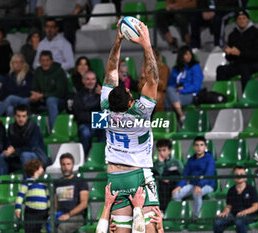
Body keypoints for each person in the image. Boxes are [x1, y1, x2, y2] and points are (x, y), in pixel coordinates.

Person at [101, 20, 160, 233]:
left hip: (114, 177)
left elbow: (110, 68)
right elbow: (153, 79)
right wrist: (146, 45)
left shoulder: (105, 109)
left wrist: (118, 40)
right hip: (139, 175)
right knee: (150, 230)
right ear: (129, 101)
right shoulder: (141, 112)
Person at [0, 104, 51, 178]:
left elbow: (32, 147)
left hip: (37, 157)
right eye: (18, 116)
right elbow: (9, 142)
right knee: (2, 156)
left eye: (23, 116)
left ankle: (27, 183)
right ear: (14, 116)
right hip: (18, 156)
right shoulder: (11, 127)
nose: (21, 119)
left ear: (27, 116)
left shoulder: (33, 127)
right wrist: (8, 149)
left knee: (25, 155)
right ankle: (2, 184)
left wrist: (14, 151)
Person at [216, 11, 258, 91]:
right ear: (236, 21)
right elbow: (229, 58)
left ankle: (246, 96)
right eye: (239, 19)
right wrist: (229, 53)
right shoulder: (233, 35)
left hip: (253, 63)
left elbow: (257, 54)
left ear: (248, 20)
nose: (241, 21)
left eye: (244, 18)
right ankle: (222, 95)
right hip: (237, 64)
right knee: (221, 69)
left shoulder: (256, 33)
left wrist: (240, 53)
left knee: (244, 68)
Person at [172, 136, 215, 218]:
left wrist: (199, 185)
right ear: (194, 147)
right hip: (193, 185)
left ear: (205, 147)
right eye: (197, 145)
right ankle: (181, 216)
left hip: (207, 185)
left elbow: (208, 174)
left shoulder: (210, 158)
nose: (199, 147)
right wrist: (179, 186)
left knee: (197, 193)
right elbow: (185, 174)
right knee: (176, 194)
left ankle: (197, 216)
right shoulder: (191, 160)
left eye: (201, 145)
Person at [213, 166, 258, 233]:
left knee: (239, 221)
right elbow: (229, 206)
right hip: (234, 214)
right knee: (218, 221)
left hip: (249, 215)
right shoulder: (231, 190)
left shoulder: (251, 189)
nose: (239, 176)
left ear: (245, 177)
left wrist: (244, 212)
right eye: (237, 174)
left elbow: (255, 206)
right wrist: (225, 212)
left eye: (241, 174)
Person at [30, 50, 69, 130]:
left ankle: (54, 131)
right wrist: (34, 95)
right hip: (41, 100)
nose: (45, 63)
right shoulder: (38, 71)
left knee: (51, 101)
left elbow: (61, 92)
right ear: (39, 62)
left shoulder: (59, 71)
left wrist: (43, 95)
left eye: (47, 60)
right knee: (25, 101)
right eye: (42, 61)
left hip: (59, 101)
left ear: (52, 61)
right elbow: (34, 88)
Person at [164, 46, 203, 122]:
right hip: (177, 94)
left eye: (190, 54)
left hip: (192, 95)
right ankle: (180, 117)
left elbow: (197, 87)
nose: (189, 56)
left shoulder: (195, 67)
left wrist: (183, 90)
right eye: (186, 54)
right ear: (181, 56)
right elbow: (170, 85)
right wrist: (177, 89)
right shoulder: (176, 69)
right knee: (169, 90)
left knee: (167, 100)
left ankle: (175, 124)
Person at [55, 153, 89, 233]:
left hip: (76, 216)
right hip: (60, 215)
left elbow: (84, 204)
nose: (66, 167)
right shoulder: (58, 183)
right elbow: (55, 203)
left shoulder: (80, 181)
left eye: (68, 164)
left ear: (73, 165)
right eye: (63, 164)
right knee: (48, 225)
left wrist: (68, 215)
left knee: (62, 227)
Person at [73, 70, 104, 156]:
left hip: (100, 124)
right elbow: (80, 115)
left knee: (107, 130)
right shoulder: (78, 96)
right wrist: (97, 116)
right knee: (85, 132)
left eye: (93, 79)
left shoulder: (102, 93)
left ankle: (100, 156)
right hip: (86, 124)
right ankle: (84, 157)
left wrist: (103, 95)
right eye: (88, 79)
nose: (91, 82)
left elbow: (108, 109)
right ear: (83, 81)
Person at [15, 159, 50, 233]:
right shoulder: (27, 182)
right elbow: (20, 195)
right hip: (31, 212)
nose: (43, 169)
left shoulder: (44, 184)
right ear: (35, 168)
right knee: (30, 230)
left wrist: (49, 209)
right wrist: (18, 208)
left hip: (43, 212)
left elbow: (48, 198)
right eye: (41, 167)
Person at [152, 139, 183, 212]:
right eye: (159, 150)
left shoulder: (176, 162)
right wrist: (161, 163)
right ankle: (162, 211)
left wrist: (170, 179)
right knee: (162, 185)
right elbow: (158, 175)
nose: (161, 153)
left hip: (174, 185)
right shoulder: (156, 164)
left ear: (169, 150)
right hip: (162, 187)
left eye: (164, 150)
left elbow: (182, 176)